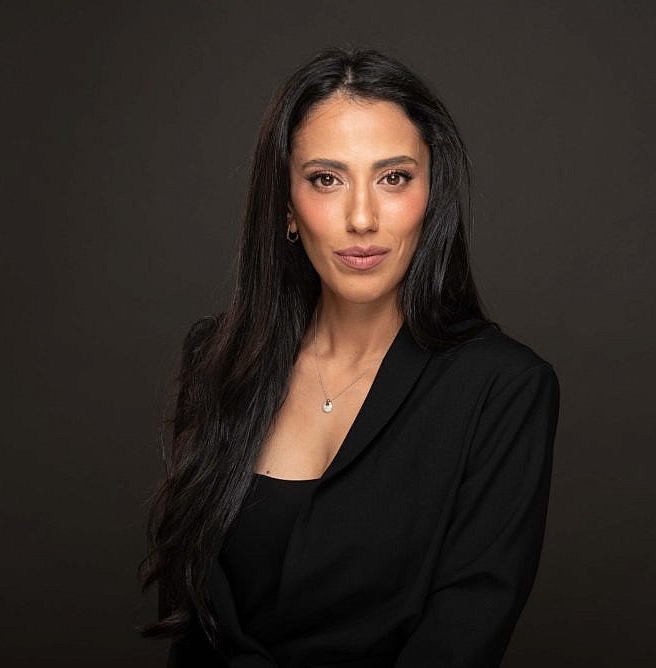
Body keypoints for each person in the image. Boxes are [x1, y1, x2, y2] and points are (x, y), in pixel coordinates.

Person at [140, 47, 560, 667]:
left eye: (393, 178)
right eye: (325, 179)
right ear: (286, 205)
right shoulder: (217, 360)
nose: (361, 218)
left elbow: (462, 637)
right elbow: (193, 620)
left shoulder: (503, 388)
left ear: (432, 193)